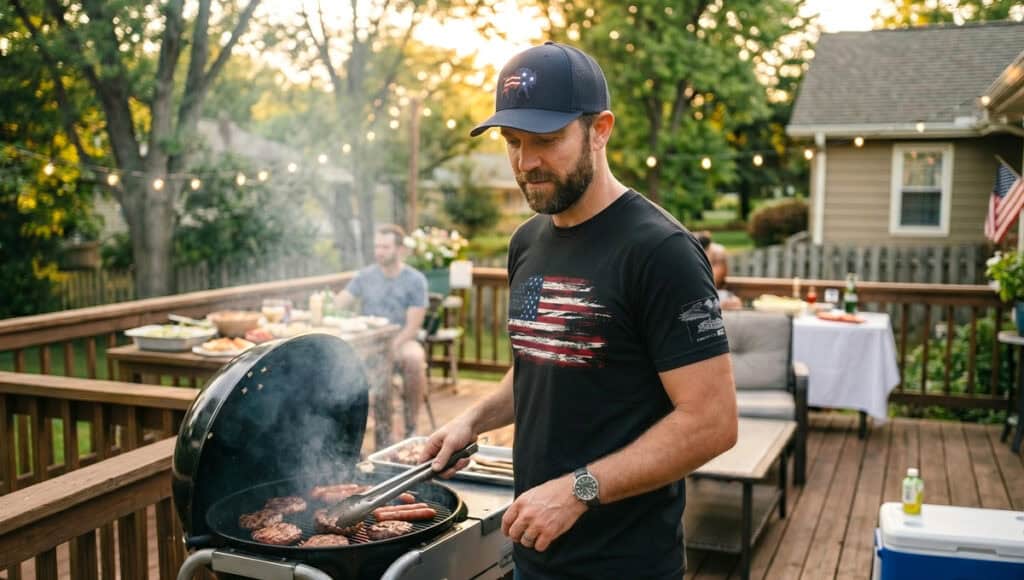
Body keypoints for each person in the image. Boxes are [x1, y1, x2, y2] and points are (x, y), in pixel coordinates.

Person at [421, 42, 738, 579]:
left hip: (625, 563)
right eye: (513, 142)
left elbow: (712, 422)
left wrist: (578, 491)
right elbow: (543, 359)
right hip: (534, 551)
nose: (526, 163)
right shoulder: (527, 241)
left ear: (600, 130)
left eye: (546, 140)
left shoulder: (661, 252)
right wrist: (471, 419)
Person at [336, 223, 428, 445]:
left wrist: (393, 347)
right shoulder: (365, 276)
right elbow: (340, 303)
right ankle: (375, 432)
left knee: (414, 359)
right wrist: (330, 303)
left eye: (385, 247)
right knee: (343, 365)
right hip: (369, 343)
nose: (379, 252)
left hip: (402, 339)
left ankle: (411, 426)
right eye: (377, 246)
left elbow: (413, 326)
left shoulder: (415, 280)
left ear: (400, 250)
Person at [696, 230, 742, 310]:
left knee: (734, 302)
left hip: (713, 292)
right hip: (698, 294)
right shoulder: (691, 251)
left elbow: (715, 280)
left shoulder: (717, 251)